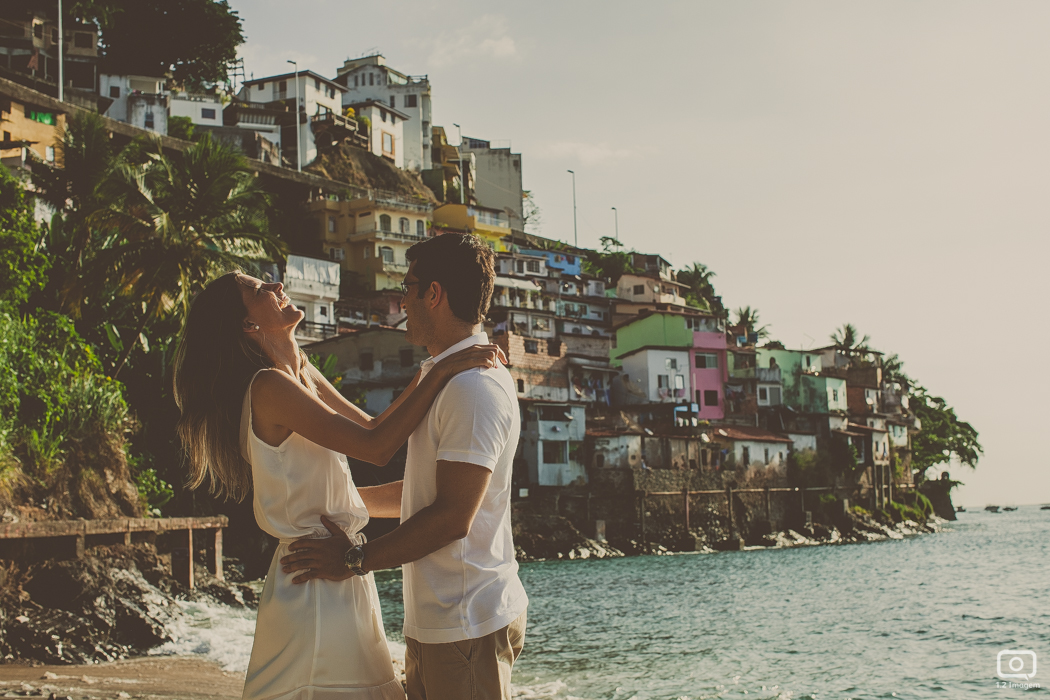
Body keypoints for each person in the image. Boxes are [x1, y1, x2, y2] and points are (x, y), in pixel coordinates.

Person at [172, 270, 504, 700]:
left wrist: (439, 368)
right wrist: (439, 371)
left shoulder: (300, 372)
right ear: (248, 326)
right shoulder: (269, 387)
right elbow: (377, 447)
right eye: (258, 290)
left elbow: (370, 425)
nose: (275, 286)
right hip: (315, 578)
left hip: (336, 568)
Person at [280, 234, 529, 700]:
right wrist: (343, 507)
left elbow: (453, 517)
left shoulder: (472, 388)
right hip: (445, 622)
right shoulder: (446, 377)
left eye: (407, 288)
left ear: (432, 294)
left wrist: (354, 560)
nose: (402, 302)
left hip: (466, 622)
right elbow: (420, 486)